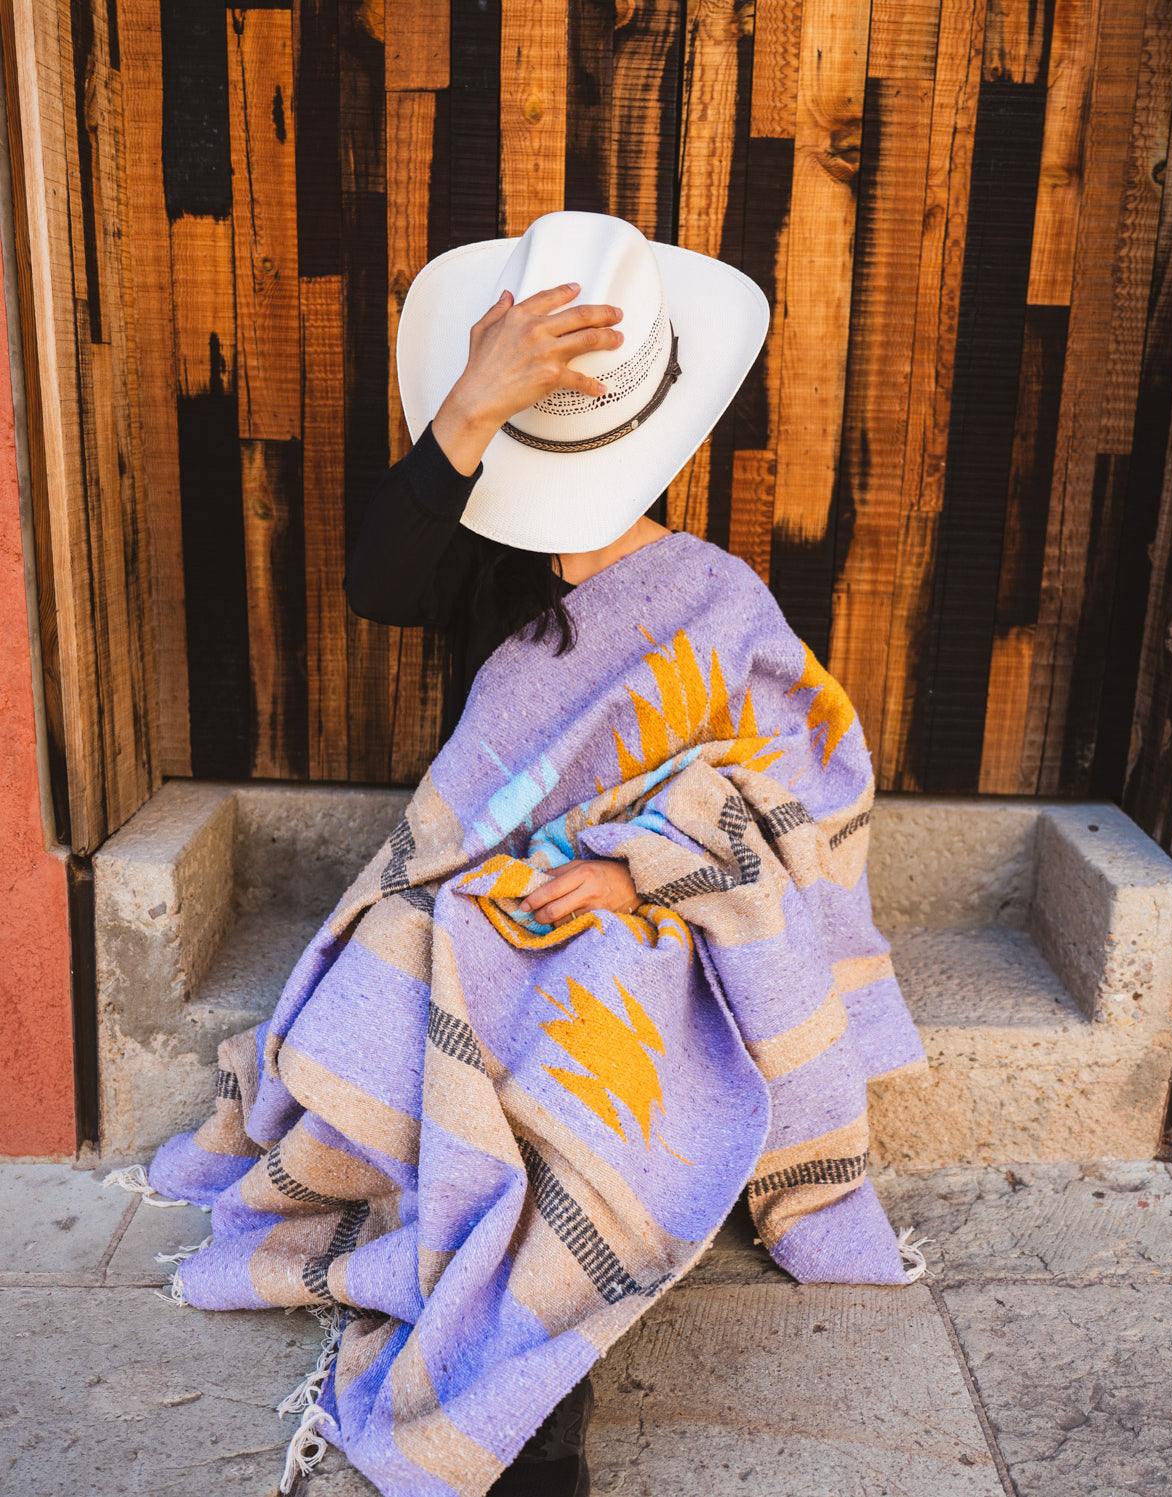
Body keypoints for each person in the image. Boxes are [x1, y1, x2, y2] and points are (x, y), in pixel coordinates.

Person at [135, 211, 928, 1497]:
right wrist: (472, 404)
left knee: (594, 1039)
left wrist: (641, 873)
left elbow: (798, 789)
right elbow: (381, 584)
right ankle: (504, 1336)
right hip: (481, 884)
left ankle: (537, 1360)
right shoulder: (477, 568)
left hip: (666, 917)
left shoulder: (719, 595)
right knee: (429, 966)